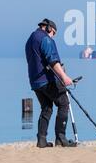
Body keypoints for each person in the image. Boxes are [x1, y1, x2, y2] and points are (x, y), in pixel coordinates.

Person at [25, 18, 77, 148]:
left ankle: (41, 140)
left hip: (35, 82)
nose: (53, 36)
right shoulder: (46, 39)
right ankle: (61, 138)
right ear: (49, 28)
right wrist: (64, 77)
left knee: (47, 108)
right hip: (46, 80)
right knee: (63, 103)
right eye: (53, 33)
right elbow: (52, 60)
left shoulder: (30, 40)